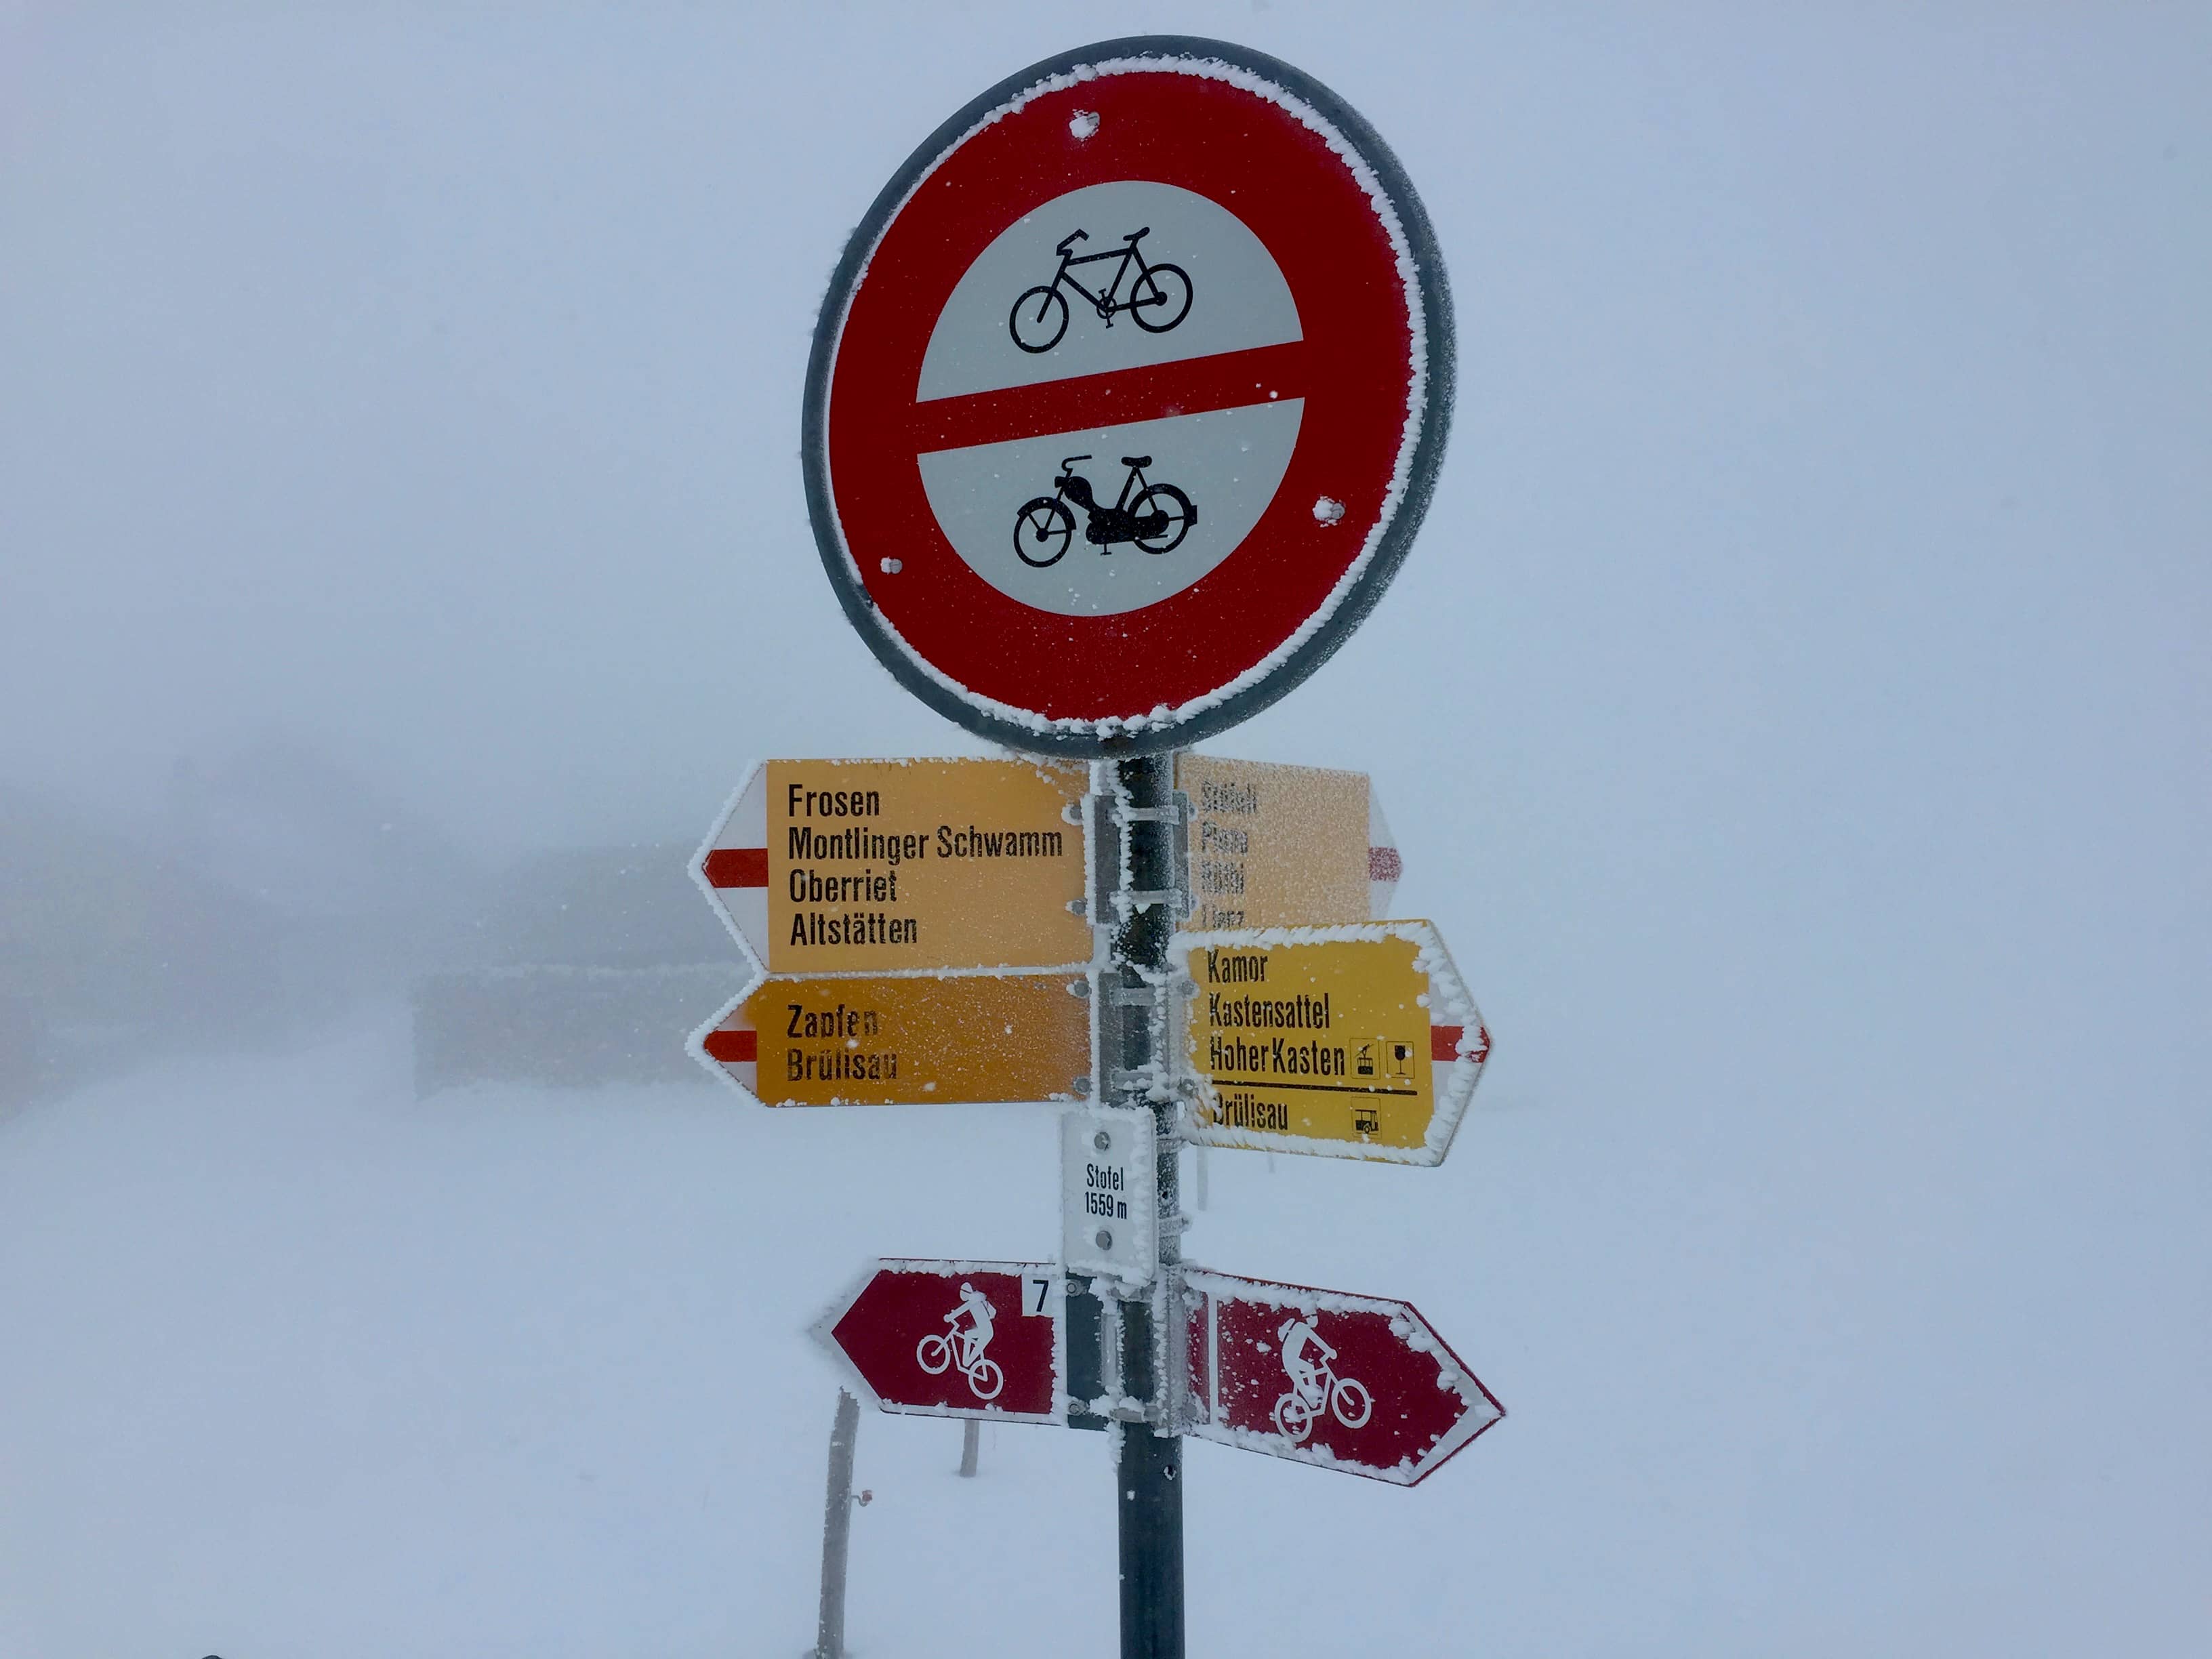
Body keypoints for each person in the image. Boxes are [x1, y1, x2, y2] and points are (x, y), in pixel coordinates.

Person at [1277, 1317, 1334, 1408]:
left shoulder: (1302, 1327)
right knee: (1308, 1371)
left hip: (1291, 1359)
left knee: (1309, 1368)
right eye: (1313, 1318)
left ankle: (1313, 1395)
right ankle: (1311, 1397)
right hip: (1289, 1360)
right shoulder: (1302, 1327)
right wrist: (1329, 1351)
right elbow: (1317, 1340)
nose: (1315, 1321)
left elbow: (1316, 1340)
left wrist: (1329, 1351)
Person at [947, 1282, 996, 1372]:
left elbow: (961, 1310)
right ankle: (966, 1361)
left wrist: (949, 1317)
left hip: (986, 1333)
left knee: (967, 1362)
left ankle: (967, 1363)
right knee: (968, 1334)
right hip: (985, 1330)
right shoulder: (980, 1300)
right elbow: (993, 1313)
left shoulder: (972, 1302)